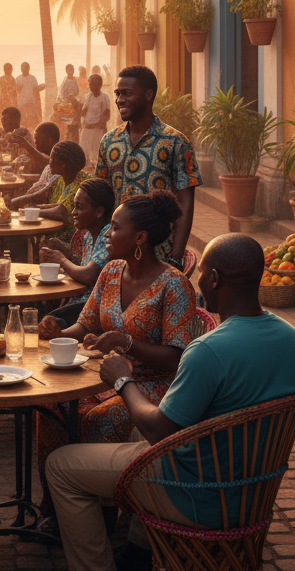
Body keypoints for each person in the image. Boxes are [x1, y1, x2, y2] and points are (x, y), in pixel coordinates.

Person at [43, 233, 295, 571]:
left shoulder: (208, 351)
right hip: (252, 488)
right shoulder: (293, 341)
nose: (198, 281)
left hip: (194, 490)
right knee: (135, 429)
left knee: (61, 466)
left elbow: (159, 430)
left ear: (214, 279)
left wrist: (122, 380)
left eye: (203, 274)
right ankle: (139, 558)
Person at [34, 191, 212, 533]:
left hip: (152, 386)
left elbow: (177, 357)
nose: (108, 234)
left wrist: (127, 343)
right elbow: (85, 325)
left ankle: (102, 519)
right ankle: (58, 506)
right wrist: (58, 331)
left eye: (115, 228)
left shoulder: (174, 285)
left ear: (140, 238)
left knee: (102, 417)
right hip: (103, 377)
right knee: (51, 407)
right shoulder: (111, 271)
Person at [96, 65, 200, 268]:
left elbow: (185, 204)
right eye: (117, 94)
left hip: (158, 257)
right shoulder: (109, 142)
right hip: (115, 256)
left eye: (127, 93)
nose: (119, 100)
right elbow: (102, 199)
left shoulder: (176, 142)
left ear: (148, 95)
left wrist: (176, 257)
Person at [37, 177, 115, 328]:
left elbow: (89, 275)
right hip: (81, 305)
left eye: (79, 207)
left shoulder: (107, 235)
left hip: (95, 310)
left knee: (48, 323)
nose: (73, 212)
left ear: (99, 212)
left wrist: (62, 260)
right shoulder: (88, 236)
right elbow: (83, 269)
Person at [79, 73, 111, 169]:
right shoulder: (88, 96)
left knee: (97, 151)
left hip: (98, 129)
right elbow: (84, 111)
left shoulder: (104, 97)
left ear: (99, 85)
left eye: (93, 85)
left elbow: (106, 113)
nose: (91, 87)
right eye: (90, 84)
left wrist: (99, 125)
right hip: (87, 127)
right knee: (84, 149)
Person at [16, 61, 44, 129]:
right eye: (23, 68)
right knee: (22, 120)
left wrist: (41, 87)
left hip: (31, 102)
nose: (25, 69)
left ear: (29, 68)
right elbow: (16, 90)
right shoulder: (18, 78)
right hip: (21, 102)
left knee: (31, 120)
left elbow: (36, 90)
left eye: (26, 68)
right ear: (21, 69)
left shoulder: (32, 78)